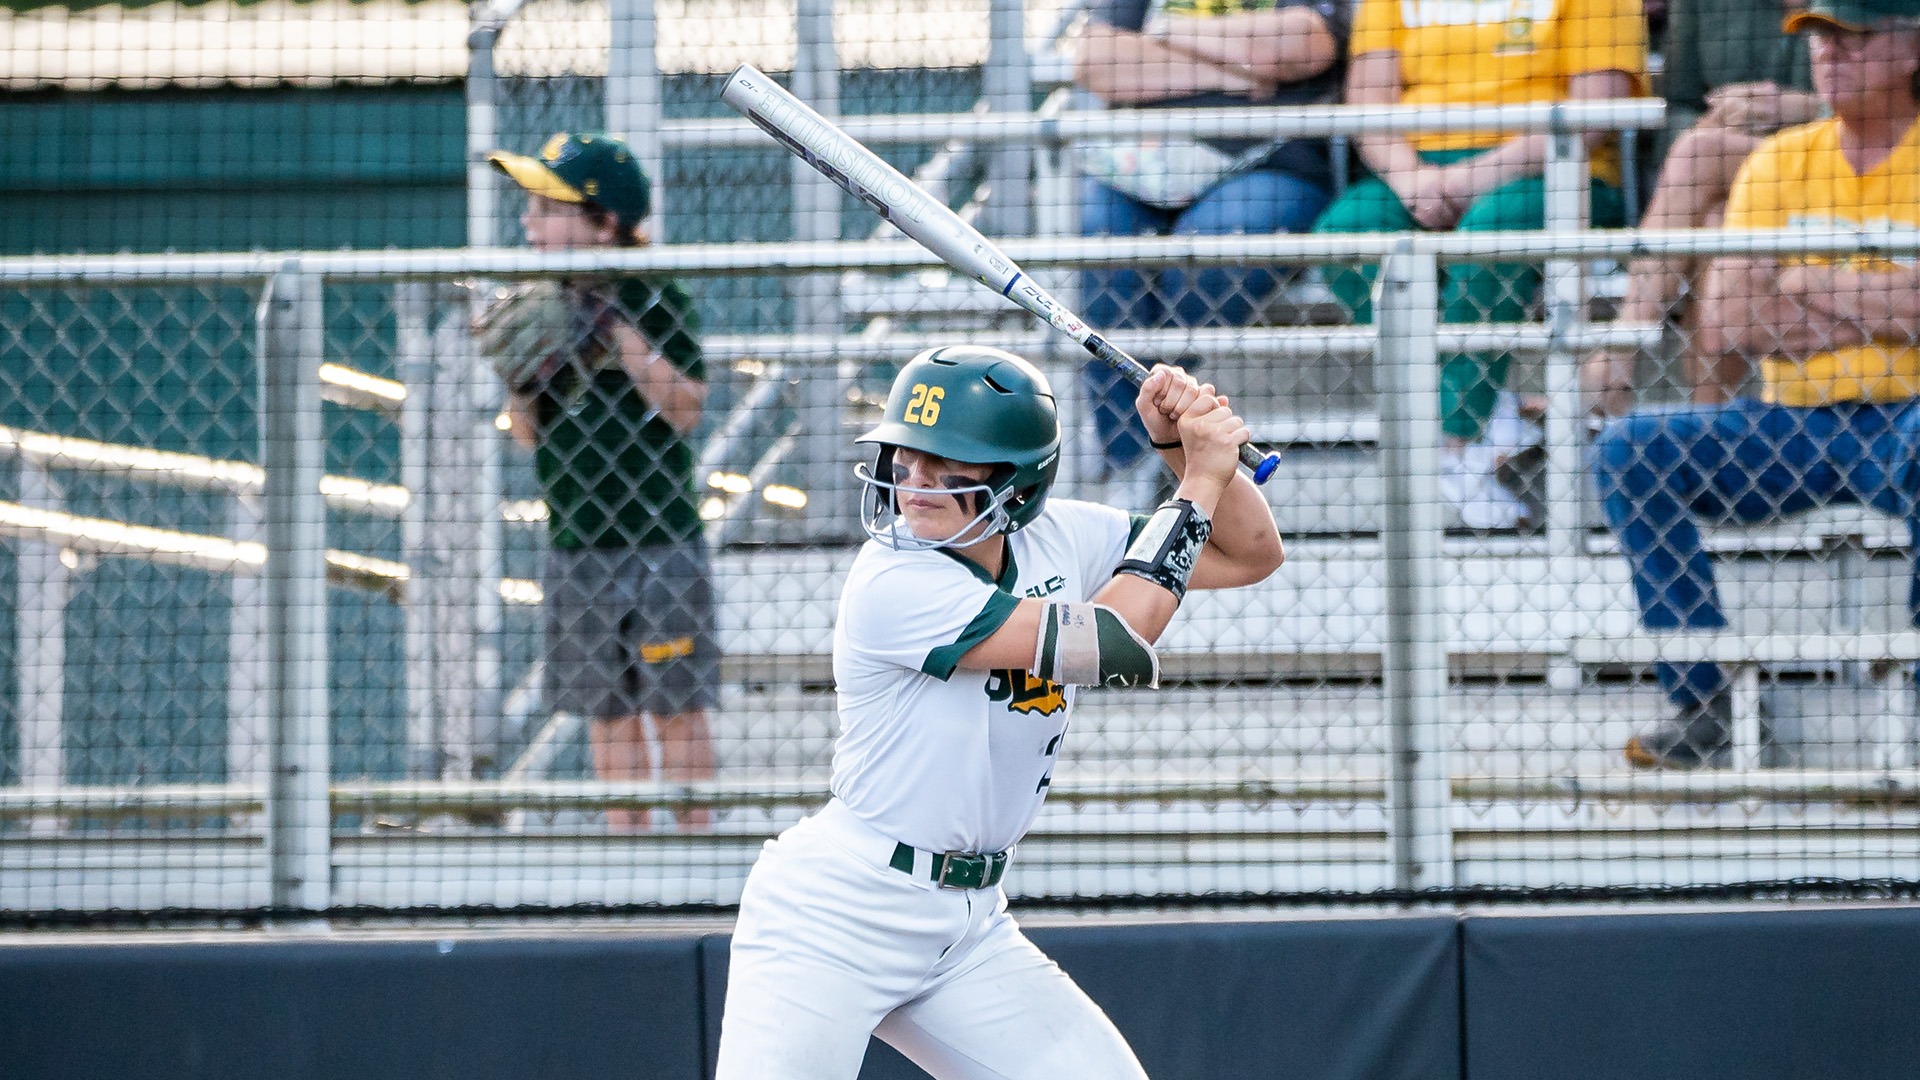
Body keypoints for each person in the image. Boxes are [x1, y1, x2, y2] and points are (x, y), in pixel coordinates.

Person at [713, 347, 1284, 1078]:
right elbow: (1104, 641)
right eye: (904, 457)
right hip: (835, 915)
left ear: (1016, 484)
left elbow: (1249, 552)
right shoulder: (892, 580)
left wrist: (1180, 450)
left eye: (948, 465)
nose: (913, 483)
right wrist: (1203, 476)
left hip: (967, 927)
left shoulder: (1064, 535)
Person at [1592, 0, 1920, 769]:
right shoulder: (1780, 160)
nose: (1829, 56)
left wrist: (1803, 280)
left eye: (1853, 39)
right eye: (1820, 42)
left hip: (1910, 418)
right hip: (1791, 421)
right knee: (1631, 453)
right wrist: (1886, 303)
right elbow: (1738, 321)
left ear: (1912, 51)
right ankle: (1705, 704)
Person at [1311, 0, 1647, 528]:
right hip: (1417, 170)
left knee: (1487, 236)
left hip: (1554, 170)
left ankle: (1456, 440)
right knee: (1343, 237)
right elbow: (1368, 100)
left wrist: (1468, 180)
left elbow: (1595, 112)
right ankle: (1487, 415)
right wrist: (1411, 180)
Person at [483, 132, 719, 828]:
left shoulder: (654, 294)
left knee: (676, 706)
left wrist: (618, 336)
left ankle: (695, 849)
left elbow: (685, 409)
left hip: (660, 542)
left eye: (546, 209)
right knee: (606, 712)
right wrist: (526, 375)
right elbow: (526, 433)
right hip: (577, 544)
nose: (528, 223)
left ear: (603, 222)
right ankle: (629, 854)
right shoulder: (540, 299)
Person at [1073, 0, 1350, 475]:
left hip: (1273, 159)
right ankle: (1133, 464)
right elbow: (1094, 61)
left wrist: (1163, 37)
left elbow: (1300, 46)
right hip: (1143, 161)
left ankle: (1156, 447)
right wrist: (1231, 72)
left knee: (1208, 249)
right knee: (1104, 249)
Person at [1584, 0, 1819, 415]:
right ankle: (1709, 420)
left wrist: (1807, 109)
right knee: (1715, 219)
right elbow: (1678, 104)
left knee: (1698, 155)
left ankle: (1622, 352)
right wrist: (1708, 122)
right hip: (1733, 180)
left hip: (1842, 167)